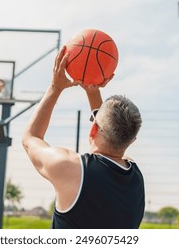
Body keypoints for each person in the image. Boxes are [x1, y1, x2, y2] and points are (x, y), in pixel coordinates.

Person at [22, 46, 145, 229]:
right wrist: (92, 91)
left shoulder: (70, 168)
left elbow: (30, 138)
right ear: (131, 141)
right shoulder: (135, 178)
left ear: (93, 129)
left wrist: (55, 88)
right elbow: (106, 127)